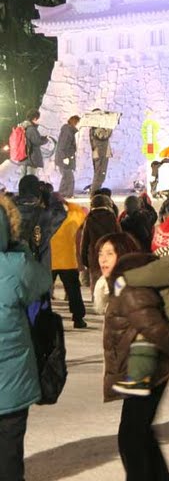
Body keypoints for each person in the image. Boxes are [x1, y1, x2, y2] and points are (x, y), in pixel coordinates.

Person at [98, 233, 169, 480]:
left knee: (131, 439)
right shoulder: (121, 284)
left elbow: (156, 328)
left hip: (147, 369)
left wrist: (168, 347)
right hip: (145, 368)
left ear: (123, 254)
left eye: (110, 253)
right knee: (141, 435)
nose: (103, 259)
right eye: (101, 253)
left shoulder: (128, 287)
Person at [0, 194, 53, 481]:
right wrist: (20, 250)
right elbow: (42, 282)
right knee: (9, 451)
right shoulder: (16, 265)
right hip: (13, 381)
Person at [111, 249, 169, 396]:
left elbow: (147, 275)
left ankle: (138, 379)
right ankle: (144, 376)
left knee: (145, 338)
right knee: (154, 347)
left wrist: (125, 278)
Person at [14, 175, 66, 271]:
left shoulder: (8, 214)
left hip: (12, 272)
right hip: (39, 270)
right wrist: (49, 197)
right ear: (38, 193)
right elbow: (60, 214)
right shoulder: (43, 215)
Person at [51, 197, 88, 328]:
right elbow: (80, 211)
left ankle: (40, 318)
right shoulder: (72, 219)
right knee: (74, 293)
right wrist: (67, 202)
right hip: (68, 262)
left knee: (43, 293)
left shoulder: (44, 220)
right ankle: (78, 319)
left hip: (49, 262)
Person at [81, 193, 122, 297]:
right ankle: (110, 301)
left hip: (95, 255)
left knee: (95, 280)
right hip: (111, 254)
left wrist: (84, 259)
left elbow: (85, 241)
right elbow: (119, 236)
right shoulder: (112, 218)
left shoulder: (89, 219)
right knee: (111, 278)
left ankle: (97, 302)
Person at [18, 110, 48, 179]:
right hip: (31, 158)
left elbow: (30, 139)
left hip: (23, 157)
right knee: (31, 178)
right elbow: (37, 142)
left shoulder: (23, 127)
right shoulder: (31, 129)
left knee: (23, 177)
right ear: (34, 118)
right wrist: (46, 139)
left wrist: (41, 137)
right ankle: (29, 189)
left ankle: (22, 189)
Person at [55, 115, 80, 198]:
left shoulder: (69, 131)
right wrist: (64, 158)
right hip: (65, 158)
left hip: (66, 158)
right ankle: (64, 194)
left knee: (67, 177)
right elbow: (62, 146)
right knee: (68, 177)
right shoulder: (67, 131)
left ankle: (65, 194)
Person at [89, 111, 114, 192]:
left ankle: (96, 192)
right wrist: (110, 127)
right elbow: (104, 136)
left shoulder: (97, 127)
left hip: (101, 153)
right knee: (99, 174)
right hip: (100, 153)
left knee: (101, 175)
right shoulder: (96, 127)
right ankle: (94, 193)